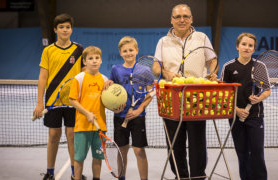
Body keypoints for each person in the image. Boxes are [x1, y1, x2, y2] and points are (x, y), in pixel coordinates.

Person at [153, 4, 218, 179]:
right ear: (171, 20)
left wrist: (212, 72)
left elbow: (212, 59)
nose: (182, 20)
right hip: (171, 98)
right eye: (178, 17)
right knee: (175, 143)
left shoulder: (201, 37)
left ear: (191, 19)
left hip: (197, 98)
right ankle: (180, 176)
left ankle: (197, 176)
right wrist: (167, 73)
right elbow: (155, 68)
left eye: (186, 16)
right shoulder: (163, 42)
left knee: (198, 141)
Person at [32, 13, 86, 180]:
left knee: (72, 137)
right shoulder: (48, 51)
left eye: (67, 27)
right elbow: (43, 77)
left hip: (73, 102)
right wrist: (40, 103)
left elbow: (84, 75)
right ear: (55, 30)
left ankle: (74, 173)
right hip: (52, 101)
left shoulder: (79, 50)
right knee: (54, 136)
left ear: (71, 29)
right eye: (61, 27)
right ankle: (50, 172)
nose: (65, 30)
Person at [220, 32, 269, 180]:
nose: (247, 47)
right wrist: (236, 110)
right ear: (237, 46)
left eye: (250, 45)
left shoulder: (260, 66)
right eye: (244, 44)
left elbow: (267, 90)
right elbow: (223, 94)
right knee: (242, 153)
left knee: (257, 152)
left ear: (254, 49)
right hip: (235, 117)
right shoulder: (228, 67)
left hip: (255, 116)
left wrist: (258, 98)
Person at [69, 46, 122, 180]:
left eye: (97, 58)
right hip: (82, 126)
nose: (94, 61)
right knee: (79, 159)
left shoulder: (104, 80)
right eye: (90, 58)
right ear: (85, 62)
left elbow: (106, 102)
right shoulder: (79, 79)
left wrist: (115, 109)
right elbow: (72, 100)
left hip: (100, 127)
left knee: (98, 158)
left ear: (101, 60)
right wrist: (87, 113)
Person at [109, 36, 152, 180]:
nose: (128, 53)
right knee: (122, 150)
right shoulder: (115, 69)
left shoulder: (145, 70)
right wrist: (114, 107)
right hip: (120, 117)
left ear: (137, 50)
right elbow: (111, 93)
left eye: (131, 50)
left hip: (138, 117)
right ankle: (121, 178)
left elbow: (150, 93)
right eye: (125, 51)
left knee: (139, 150)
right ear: (120, 53)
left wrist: (140, 110)